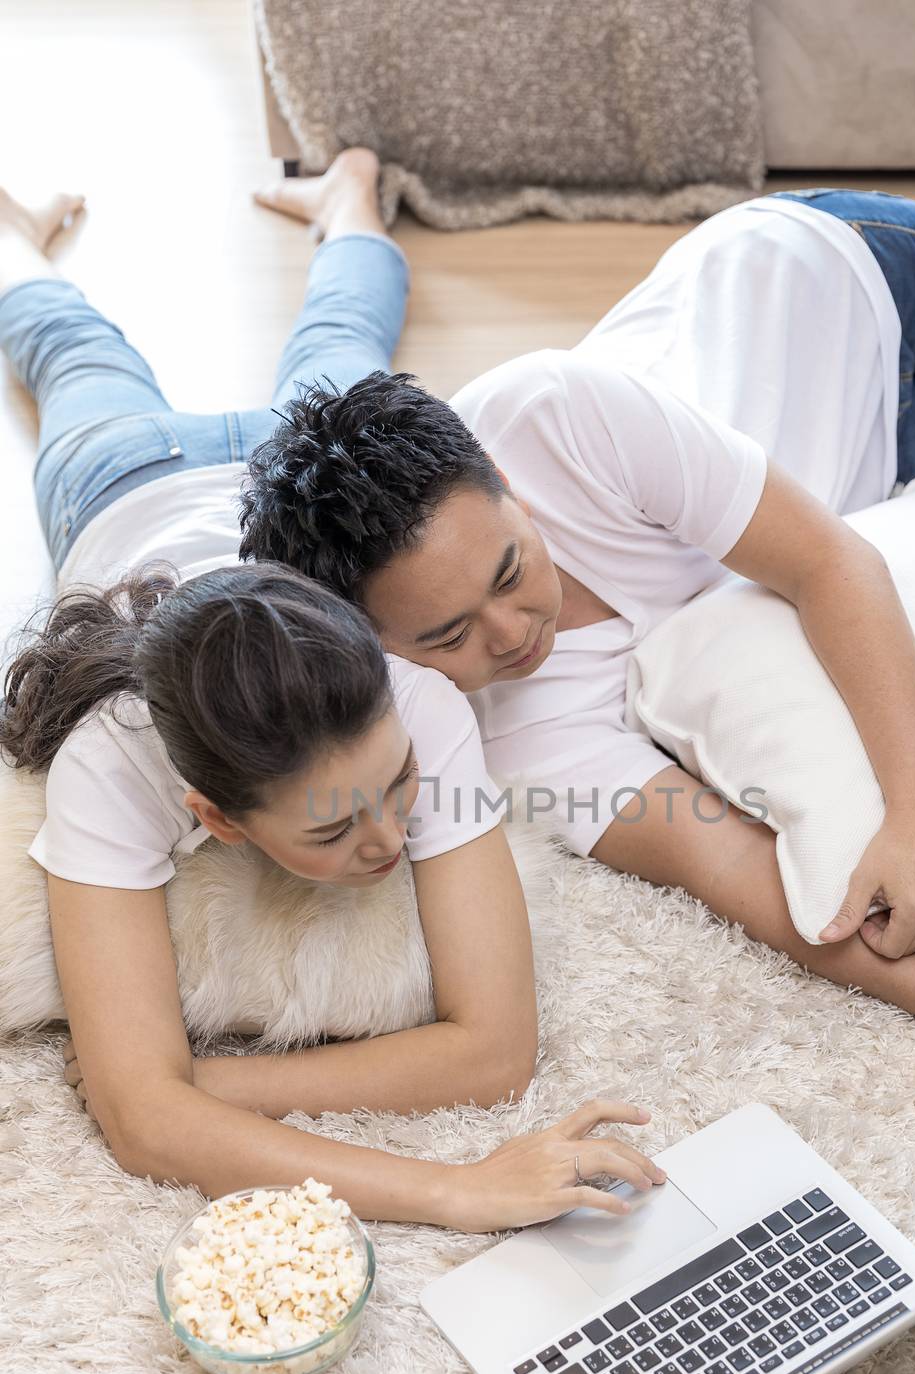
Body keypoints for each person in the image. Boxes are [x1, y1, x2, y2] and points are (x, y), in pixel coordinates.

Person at [238, 182, 915, 1069]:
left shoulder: (553, 411)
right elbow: (725, 864)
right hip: (875, 445)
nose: (511, 632)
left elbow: (828, 564)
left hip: (828, 282)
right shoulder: (514, 740)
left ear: (506, 489)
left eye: (511, 571)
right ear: (381, 645)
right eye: (447, 637)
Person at [0, 154, 667, 1231]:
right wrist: (455, 1187)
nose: (388, 840)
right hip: (123, 481)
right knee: (76, 355)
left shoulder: (408, 698)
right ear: (212, 817)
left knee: (338, 349)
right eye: (331, 827)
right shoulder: (115, 758)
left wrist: (192, 1088)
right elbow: (137, 1127)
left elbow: (495, 1049)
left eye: (394, 786)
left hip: (271, 487)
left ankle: (346, 198)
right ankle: (14, 229)